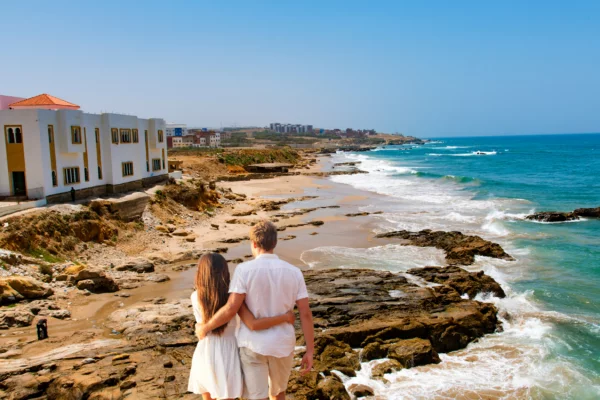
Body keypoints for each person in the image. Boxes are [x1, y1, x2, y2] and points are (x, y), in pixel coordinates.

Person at [196, 220, 314, 400]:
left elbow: (231, 308)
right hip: (283, 344)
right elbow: (305, 313)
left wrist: (205, 328)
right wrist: (310, 351)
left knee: (257, 397)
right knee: (278, 392)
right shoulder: (294, 272)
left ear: (254, 243)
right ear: (274, 243)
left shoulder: (244, 270)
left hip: (253, 345)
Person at [188, 252, 295, 400]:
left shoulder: (196, 297)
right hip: (229, 351)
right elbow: (253, 323)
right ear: (225, 272)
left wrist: (202, 328)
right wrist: (285, 317)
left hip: (205, 351)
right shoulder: (233, 298)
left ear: (201, 273)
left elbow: (200, 325)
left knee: (208, 394)